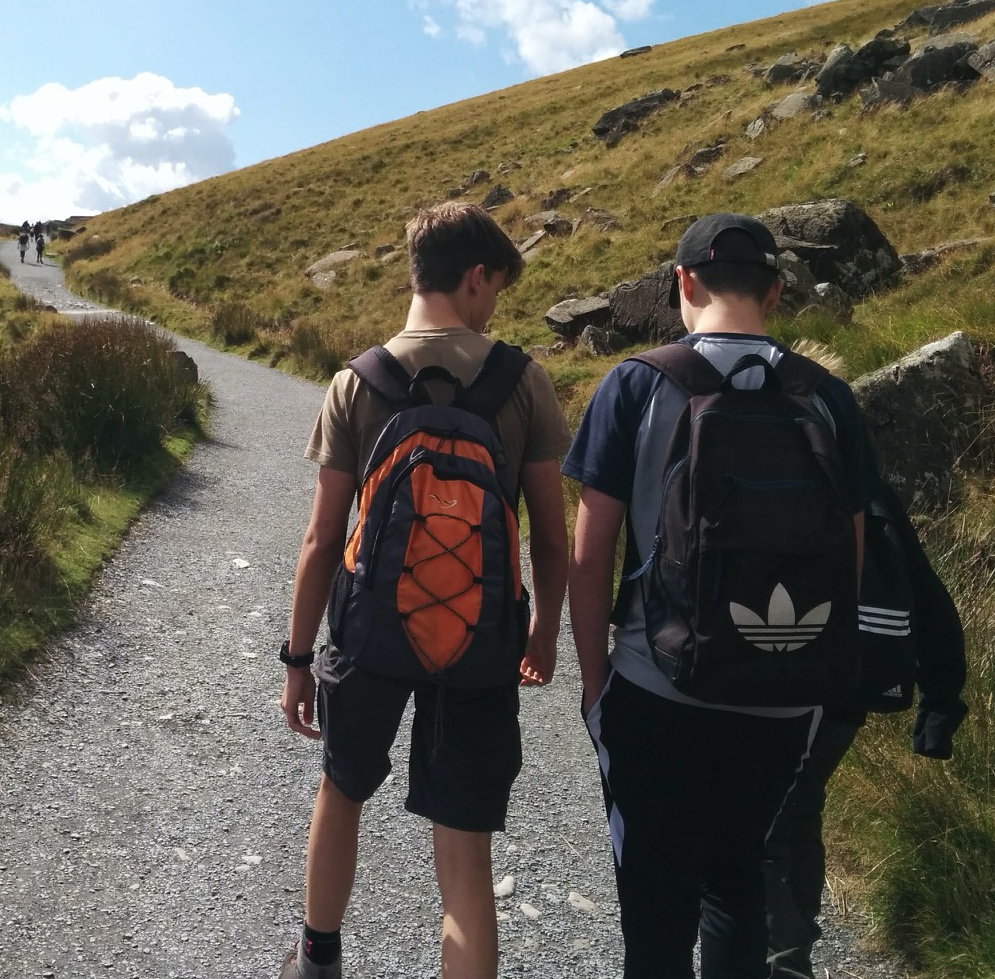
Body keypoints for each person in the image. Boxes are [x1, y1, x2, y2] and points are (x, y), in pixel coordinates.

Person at [562, 213, 872, 979]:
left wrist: (596, 684)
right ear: (775, 290)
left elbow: (589, 556)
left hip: (654, 687)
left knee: (655, 902)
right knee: (738, 881)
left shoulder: (636, 384)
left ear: (684, 282)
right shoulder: (828, 398)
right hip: (783, 696)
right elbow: (852, 559)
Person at [278, 201, 571, 979]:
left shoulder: (357, 382)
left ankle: (317, 960)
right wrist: (542, 631)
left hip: (369, 635)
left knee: (342, 791)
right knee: (465, 846)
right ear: (476, 277)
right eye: (496, 288)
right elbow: (551, 536)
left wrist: (298, 659)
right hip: (481, 640)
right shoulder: (523, 382)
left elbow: (322, 539)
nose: (494, 306)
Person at [764, 470, 967, 979]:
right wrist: (940, 700)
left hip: (770, 677)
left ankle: (785, 964)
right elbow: (925, 587)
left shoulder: (752, 462)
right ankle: (790, 955)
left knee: (761, 829)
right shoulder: (857, 473)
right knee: (798, 810)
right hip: (846, 685)